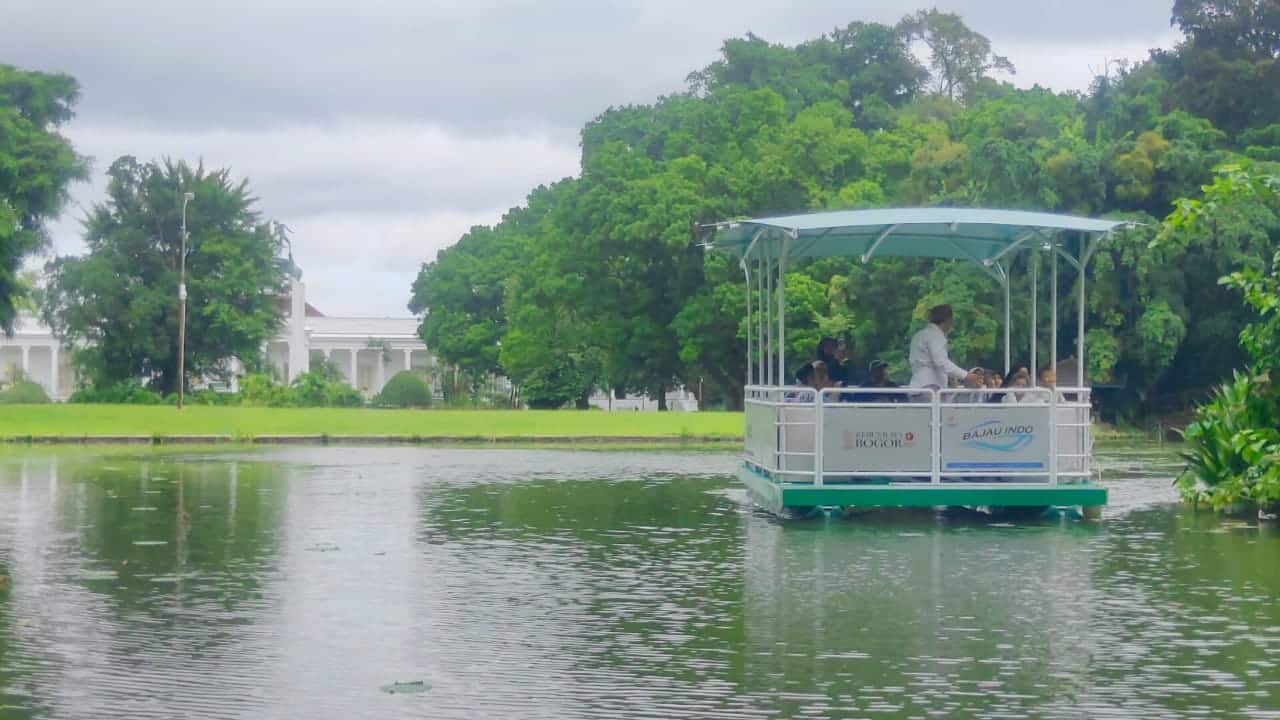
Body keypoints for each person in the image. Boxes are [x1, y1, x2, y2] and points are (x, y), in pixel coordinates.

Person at [908, 304, 980, 391]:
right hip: (930, 386)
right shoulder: (935, 336)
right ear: (948, 320)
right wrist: (966, 375)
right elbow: (941, 362)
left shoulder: (919, 335)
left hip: (917, 385)